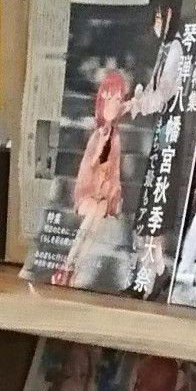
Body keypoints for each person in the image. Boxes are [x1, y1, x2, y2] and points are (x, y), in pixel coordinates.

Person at [58, 65, 133, 289]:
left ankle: (73, 267)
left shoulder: (115, 137)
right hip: (88, 192)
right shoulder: (98, 135)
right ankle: (68, 265)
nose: (114, 105)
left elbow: (115, 172)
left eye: (117, 100)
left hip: (104, 195)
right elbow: (91, 166)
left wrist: (113, 197)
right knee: (92, 213)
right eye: (109, 99)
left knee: (98, 213)